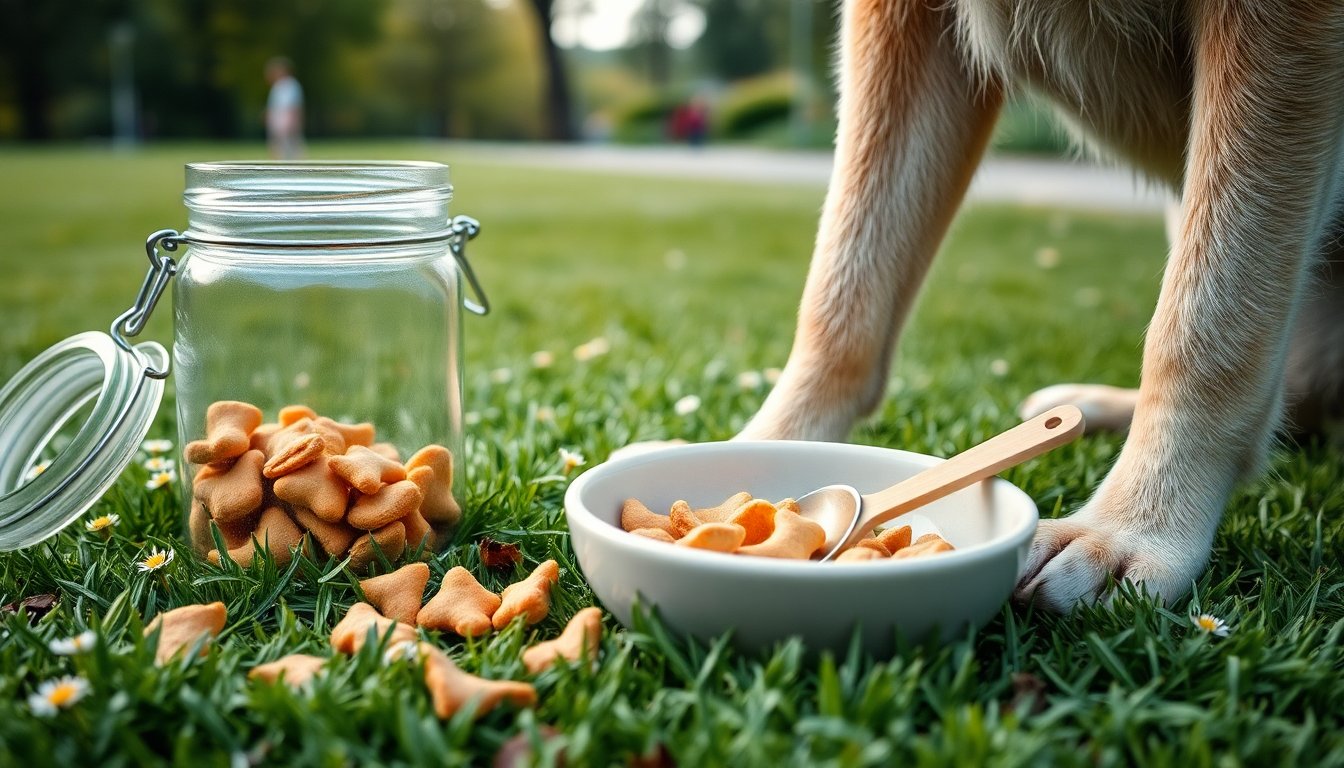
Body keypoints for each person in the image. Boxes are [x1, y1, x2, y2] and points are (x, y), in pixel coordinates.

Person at [265, 57, 304, 159]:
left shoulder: (291, 84)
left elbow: (294, 105)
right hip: (277, 118)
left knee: (292, 143)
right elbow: (273, 105)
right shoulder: (277, 86)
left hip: (286, 118)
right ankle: (278, 163)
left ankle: (296, 163)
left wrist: (293, 120)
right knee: (276, 143)